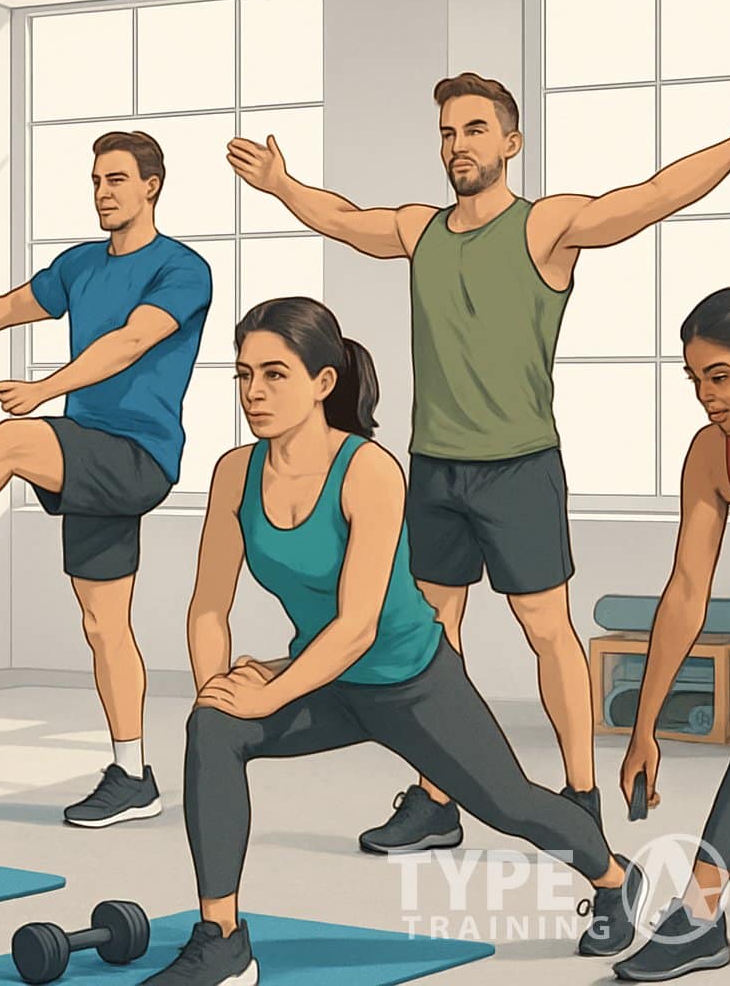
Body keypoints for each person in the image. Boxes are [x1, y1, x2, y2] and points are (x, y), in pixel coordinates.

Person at [227, 72, 730, 855]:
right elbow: (342, 219)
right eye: (446, 132)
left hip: (519, 467)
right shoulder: (419, 230)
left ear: (511, 142)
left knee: (545, 627)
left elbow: (649, 196)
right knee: (433, 633)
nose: (457, 145)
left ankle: (579, 797)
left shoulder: (547, 229)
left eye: (473, 129)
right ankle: (439, 800)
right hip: (434, 466)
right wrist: (282, 185)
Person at [140, 295, 645, 986]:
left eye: (275, 374)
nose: (253, 392)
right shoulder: (236, 473)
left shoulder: (369, 470)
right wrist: (218, 686)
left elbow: (359, 626)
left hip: (411, 682)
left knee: (509, 804)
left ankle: (614, 875)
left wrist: (273, 692)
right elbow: (208, 609)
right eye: (244, 374)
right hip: (329, 680)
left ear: (323, 383)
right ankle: (222, 939)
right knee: (213, 726)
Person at [0, 130, 212, 828]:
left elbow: (131, 342)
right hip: (89, 455)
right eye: (95, 180)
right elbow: (4, 306)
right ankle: (132, 774)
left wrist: (47, 387)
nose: (103, 192)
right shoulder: (81, 265)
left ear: (152, 185)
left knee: (17, 439)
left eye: (117, 179)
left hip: (136, 455)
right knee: (102, 623)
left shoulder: (181, 268)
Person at [613, 287, 730, 981]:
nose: (705, 397)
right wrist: (645, 728)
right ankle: (699, 917)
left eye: (719, 376)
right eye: (696, 380)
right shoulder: (712, 454)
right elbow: (687, 594)